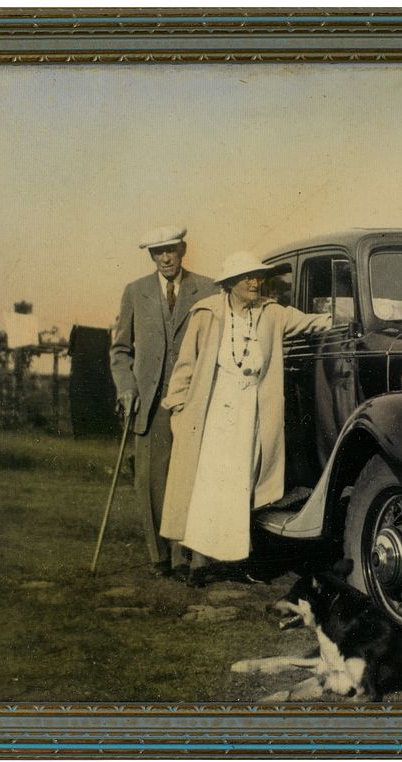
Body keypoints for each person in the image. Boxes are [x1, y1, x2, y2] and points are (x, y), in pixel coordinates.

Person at [159, 250, 332, 583]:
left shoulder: (272, 313)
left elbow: (311, 322)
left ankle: (237, 558)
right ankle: (198, 560)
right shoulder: (207, 313)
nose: (256, 283)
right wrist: (179, 407)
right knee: (207, 484)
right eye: (248, 278)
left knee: (239, 485)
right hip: (211, 409)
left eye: (258, 277)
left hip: (250, 411)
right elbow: (186, 365)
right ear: (231, 283)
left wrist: (343, 318)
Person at [109, 225, 220, 577]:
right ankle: (160, 556)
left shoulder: (208, 288)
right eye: (159, 252)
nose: (166, 257)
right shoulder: (135, 292)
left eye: (171, 249)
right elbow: (120, 350)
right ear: (151, 256)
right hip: (151, 401)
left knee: (192, 477)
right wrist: (127, 386)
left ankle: (189, 554)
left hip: (193, 398)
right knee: (153, 480)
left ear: (183, 248)